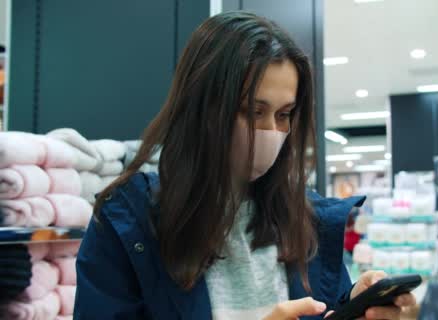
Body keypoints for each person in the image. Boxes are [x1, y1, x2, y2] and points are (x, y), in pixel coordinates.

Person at [73, 11, 415, 320]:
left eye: (284, 115)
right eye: (253, 111)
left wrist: (352, 303)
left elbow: (321, 306)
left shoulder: (305, 216)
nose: (271, 131)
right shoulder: (127, 223)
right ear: (203, 106)